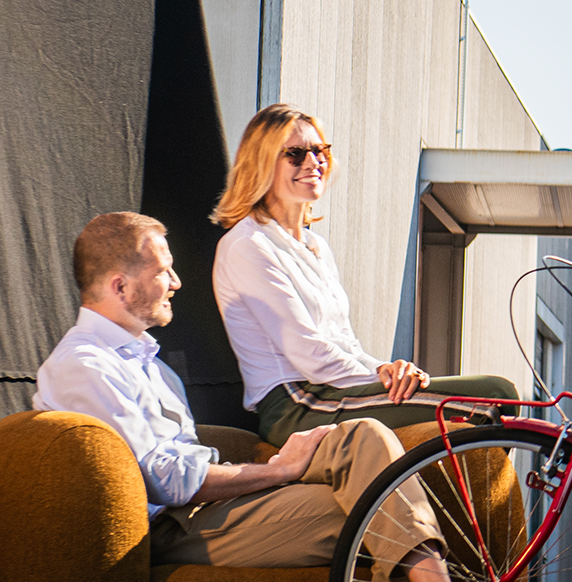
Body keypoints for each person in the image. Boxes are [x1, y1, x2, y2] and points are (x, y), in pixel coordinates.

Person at [36, 211, 523, 582]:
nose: (176, 282)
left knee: (364, 444)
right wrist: (279, 471)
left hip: (203, 511)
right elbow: (169, 483)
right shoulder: (86, 364)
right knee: (375, 512)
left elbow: (187, 465)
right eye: (164, 271)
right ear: (120, 284)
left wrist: (271, 470)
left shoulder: (149, 363)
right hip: (168, 531)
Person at [211, 103, 517, 446]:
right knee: (495, 394)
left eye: (319, 150)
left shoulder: (315, 246)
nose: (313, 162)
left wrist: (391, 369)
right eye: (295, 154)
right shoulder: (247, 244)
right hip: (296, 407)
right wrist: (381, 377)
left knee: (498, 397)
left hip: (333, 391)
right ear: (261, 164)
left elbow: (345, 342)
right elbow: (307, 352)